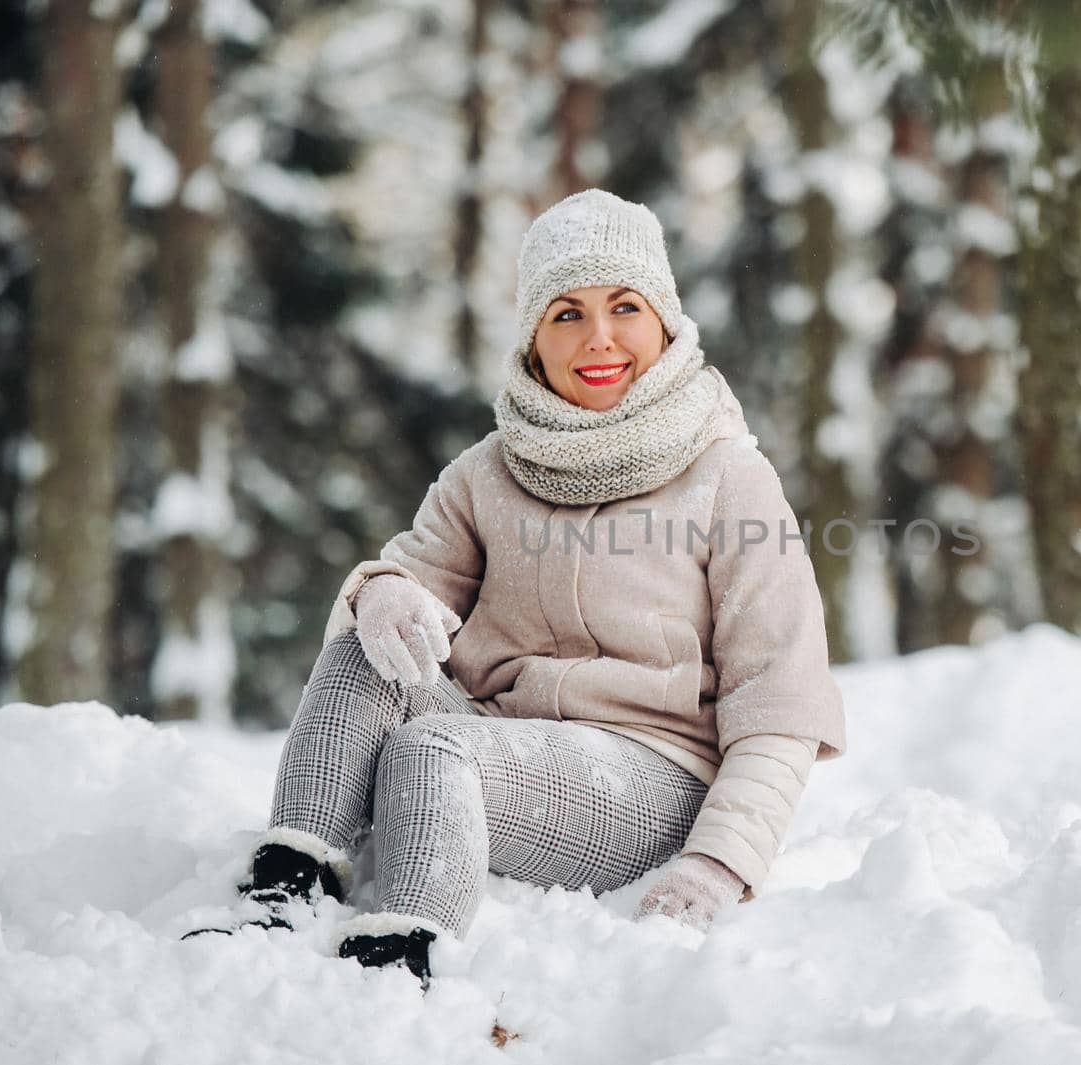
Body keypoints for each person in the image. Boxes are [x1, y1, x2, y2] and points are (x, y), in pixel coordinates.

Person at [187, 189, 846, 986]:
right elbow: (411, 585)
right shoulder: (488, 471)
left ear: (665, 321)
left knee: (435, 749)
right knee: (370, 650)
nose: (599, 337)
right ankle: (288, 886)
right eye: (567, 313)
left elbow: (781, 704)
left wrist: (718, 863)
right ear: (534, 336)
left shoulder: (729, 477)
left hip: (650, 779)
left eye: (625, 307)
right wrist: (386, 589)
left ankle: (399, 955)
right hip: (495, 742)